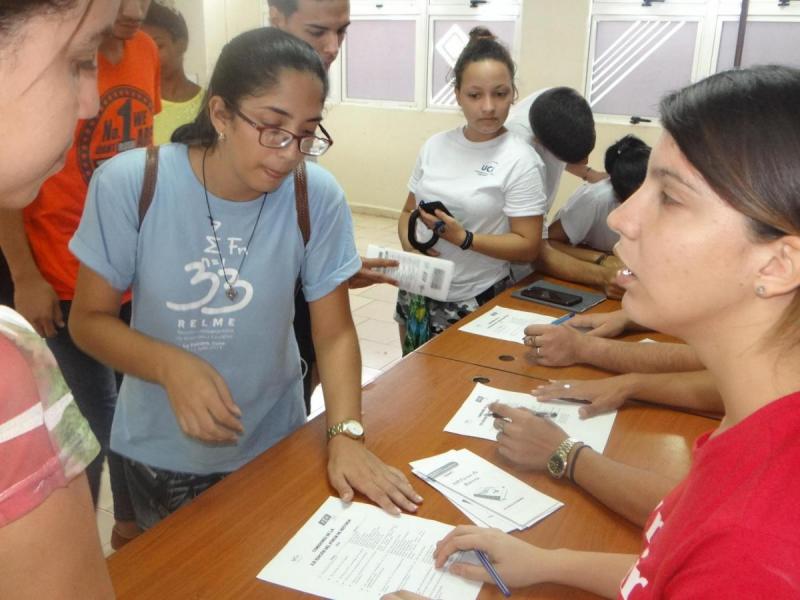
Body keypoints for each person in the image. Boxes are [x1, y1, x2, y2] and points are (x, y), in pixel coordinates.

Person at [424, 65, 800, 597]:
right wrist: (546, 562)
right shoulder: (757, 426)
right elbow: (669, 560)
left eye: (670, 197)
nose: (623, 219)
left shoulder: (757, 548)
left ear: (777, 265)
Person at [68, 27, 423, 531]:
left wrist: (345, 433)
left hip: (272, 442)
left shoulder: (313, 195)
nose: (289, 152)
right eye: (273, 128)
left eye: (307, 132)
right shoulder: (132, 183)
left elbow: (335, 332)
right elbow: (88, 321)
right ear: (220, 114)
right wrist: (170, 366)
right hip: (161, 451)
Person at [0, 0, 159, 549]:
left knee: (135, 410)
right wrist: (26, 274)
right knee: (91, 423)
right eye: (78, 62)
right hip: (63, 277)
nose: (89, 102)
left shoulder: (145, 51)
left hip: (132, 272)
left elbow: (145, 150)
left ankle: (131, 523)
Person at [268, 0, 399, 411]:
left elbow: (296, 213)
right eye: (318, 31)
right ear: (277, 18)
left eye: (342, 31)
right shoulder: (248, 91)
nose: (332, 46)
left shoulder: (318, 188)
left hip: (296, 307)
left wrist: (326, 266)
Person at [395, 28, 544, 353]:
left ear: (513, 94)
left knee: (456, 392)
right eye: (475, 95)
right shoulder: (435, 145)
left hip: (474, 297)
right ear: (458, 94)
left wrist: (465, 239)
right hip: (419, 290)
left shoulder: (520, 160)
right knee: (412, 383)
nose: (488, 107)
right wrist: (411, 246)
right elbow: (407, 211)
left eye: (500, 93)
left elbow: (529, 245)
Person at [534, 135, 650, 299]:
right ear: (618, 196)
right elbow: (549, 244)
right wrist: (602, 259)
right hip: (589, 270)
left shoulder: (669, 195)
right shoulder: (596, 199)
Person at [143, 2, 203, 145]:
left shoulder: (208, 103)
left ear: (181, 45)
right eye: (142, 47)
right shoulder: (137, 102)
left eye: (158, 46)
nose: (148, 56)